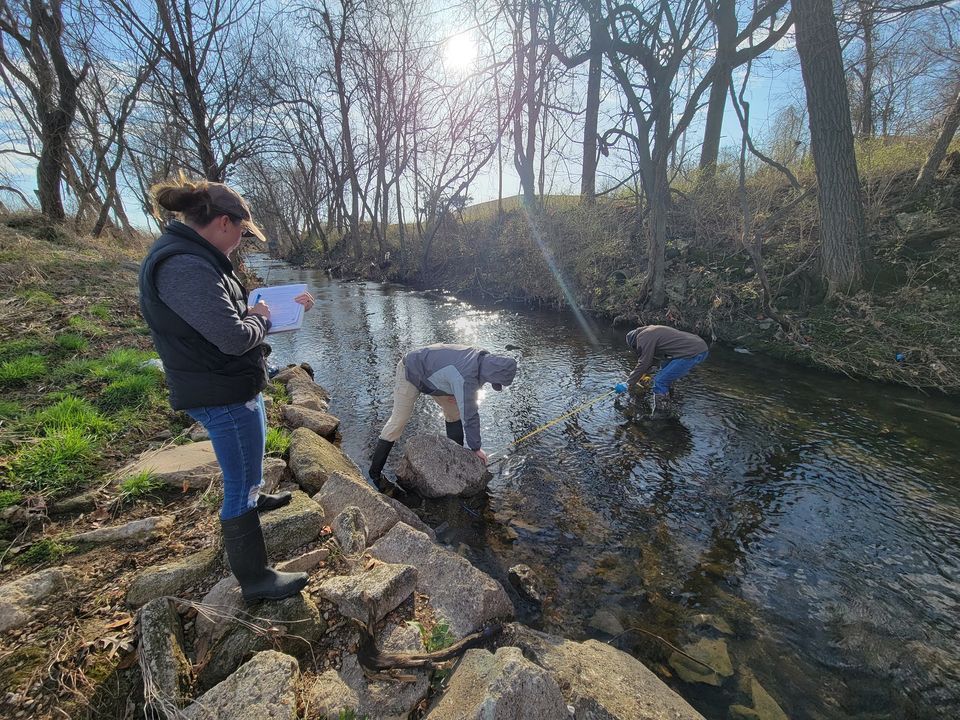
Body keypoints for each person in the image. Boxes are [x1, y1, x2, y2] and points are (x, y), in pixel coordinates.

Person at [138, 176, 315, 603]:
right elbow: (234, 336)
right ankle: (255, 580)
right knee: (237, 483)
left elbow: (224, 314)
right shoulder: (185, 265)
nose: (242, 240)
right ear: (222, 222)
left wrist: (279, 307)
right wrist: (262, 318)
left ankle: (255, 497)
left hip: (227, 382)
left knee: (249, 458)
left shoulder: (196, 257)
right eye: (242, 231)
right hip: (218, 390)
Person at [368, 344, 518, 485]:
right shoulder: (465, 376)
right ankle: (374, 474)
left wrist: (456, 390)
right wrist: (476, 448)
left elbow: (465, 379)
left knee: (454, 412)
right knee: (398, 421)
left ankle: (456, 457)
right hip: (411, 370)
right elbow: (470, 415)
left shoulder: (483, 359)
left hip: (434, 375)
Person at [615, 325, 708, 418]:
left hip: (693, 352)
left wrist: (628, 383)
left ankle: (661, 414)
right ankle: (669, 395)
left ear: (634, 343)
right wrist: (643, 374)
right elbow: (652, 360)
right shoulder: (651, 331)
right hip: (699, 346)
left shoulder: (642, 337)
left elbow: (644, 362)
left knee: (660, 381)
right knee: (664, 367)